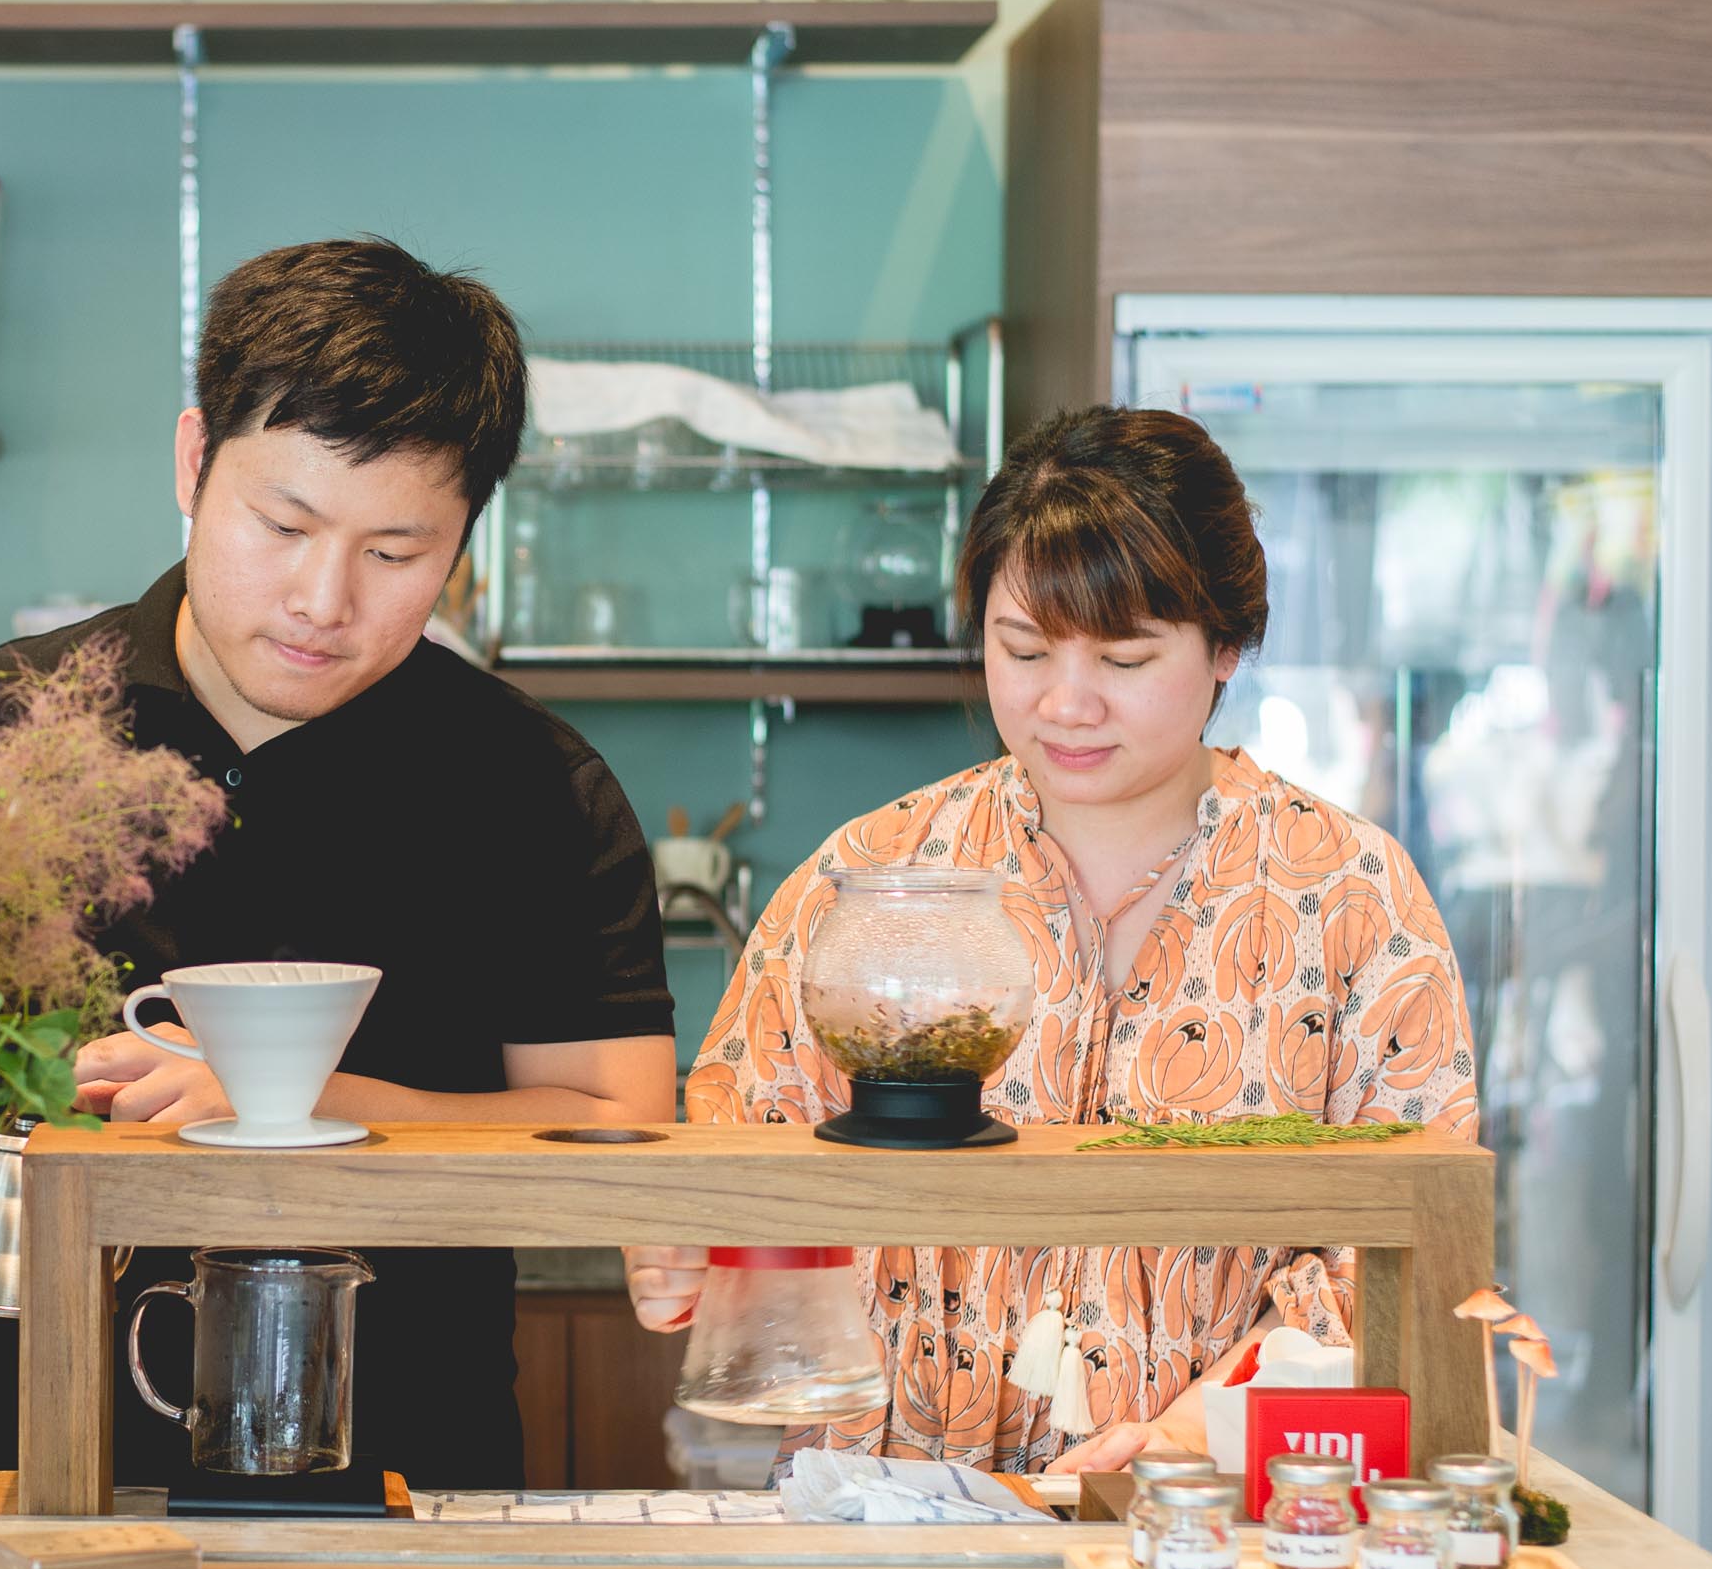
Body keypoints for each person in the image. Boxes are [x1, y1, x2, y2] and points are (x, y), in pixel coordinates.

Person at [0, 237, 676, 1494]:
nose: (325, 598)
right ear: (192, 461)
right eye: (283, 524)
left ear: (464, 541)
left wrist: (294, 1108)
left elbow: (619, 1127)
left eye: (395, 553)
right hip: (44, 1461)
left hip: (412, 1474)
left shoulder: (531, 785)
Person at [626, 405, 1479, 1477]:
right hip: (896, 1498)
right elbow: (741, 1159)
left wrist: (1181, 1439)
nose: (1066, 704)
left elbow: (1401, 1252)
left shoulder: (1354, 898)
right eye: (1023, 649)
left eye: (1124, 656)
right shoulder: (878, 875)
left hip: (1203, 1509)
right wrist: (684, 1248)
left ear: (1226, 646)